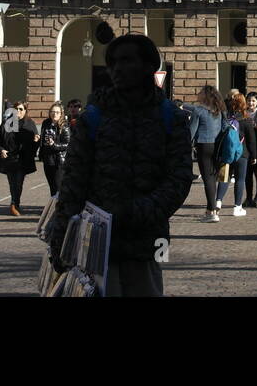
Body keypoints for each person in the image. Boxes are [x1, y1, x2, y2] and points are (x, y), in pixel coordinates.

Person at [50, 33, 193, 297]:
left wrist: (136, 211)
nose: (117, 68)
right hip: (96, 245)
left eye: (126, 60)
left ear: (149, 66)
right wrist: (61, 239)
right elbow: (73, 182)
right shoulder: (93, 116)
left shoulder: (170, 117)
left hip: (145, 242)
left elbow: (179, 178)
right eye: (112, 62)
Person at [183, 86, 226, 222]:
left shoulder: (198, 110)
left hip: (204, 145)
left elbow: (191, 131)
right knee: (212, 177)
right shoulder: (219, 110)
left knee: (207, 178)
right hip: (218, 145)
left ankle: (212, 212)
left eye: (201, 92)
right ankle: (210, 209)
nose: (198, 93)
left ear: (205, 96)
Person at [0, 101, 39, 216]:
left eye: (21, 109)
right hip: (9, 159)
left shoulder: (30, 124)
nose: (18, 111)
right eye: (16, 109)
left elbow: (35, 143)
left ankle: (14, 204)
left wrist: (36, 141)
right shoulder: (7, 123)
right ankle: (15, 203)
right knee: (11, 182)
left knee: (18, 182)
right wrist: (1, 150)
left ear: (25, 111)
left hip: (22, 159)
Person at [217, 92, 256, 216]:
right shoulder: (246, 120)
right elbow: (251, 141)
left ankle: (218, 201)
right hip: (241, 154)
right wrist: (254, 156)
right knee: (240, 179)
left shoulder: (226, 118)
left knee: (224, 177)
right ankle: (237, 207)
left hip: (226, 153)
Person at [39, 101, 71, 196]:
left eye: (57, 112)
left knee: (58, 187)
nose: (54, 114)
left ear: (61, 114)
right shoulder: (46, 123)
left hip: (59, 161)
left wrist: (54, 145)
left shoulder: (64, 126)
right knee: (52, 186)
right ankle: (54, 207)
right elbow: (44, 138)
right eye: (52, 111)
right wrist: (38, 139)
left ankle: (59, 208)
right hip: (47, 159)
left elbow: (68, 144)